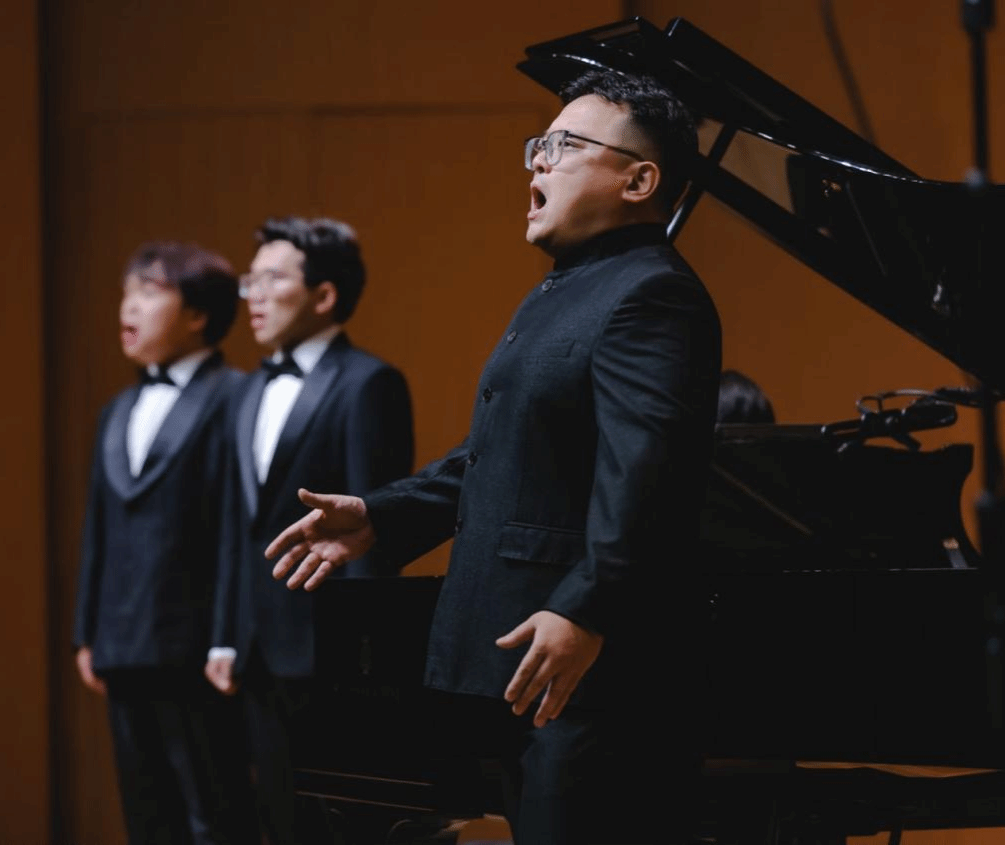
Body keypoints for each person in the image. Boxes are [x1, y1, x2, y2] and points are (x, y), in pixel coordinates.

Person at [266, 70, 723, 845]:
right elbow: (500, 455)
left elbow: (647, 475)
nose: (537, 161)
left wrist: (584, 607)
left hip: (586, 669)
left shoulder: (652, 294)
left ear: (639, 181)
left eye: (564, 145)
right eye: (538, 144)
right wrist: (381, 515)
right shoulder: (570, 287)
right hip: (519, 661)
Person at [206, 216, 414, 845]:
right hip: (256, 647)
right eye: (250, 281)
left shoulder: (369, 382)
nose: (254, 295)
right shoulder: (244, 390)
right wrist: (224, 636)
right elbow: (235, 526)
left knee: (340, 827)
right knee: (274, 819)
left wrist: (367, 663)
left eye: (273, 279)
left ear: (324, 295)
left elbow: (373, 527)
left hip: (331, 651)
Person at [72, 242, 258, 845]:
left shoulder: (237, 396)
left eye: (149, 292)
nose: (128, 306)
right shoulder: (117, 408)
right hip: (122, 641)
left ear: (198, 314)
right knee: (145, 813)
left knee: (214, 813)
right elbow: (99, 526)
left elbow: (236, 529)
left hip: (197, 644)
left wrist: (227, 634)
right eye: (127, 292)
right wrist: (87, 631)